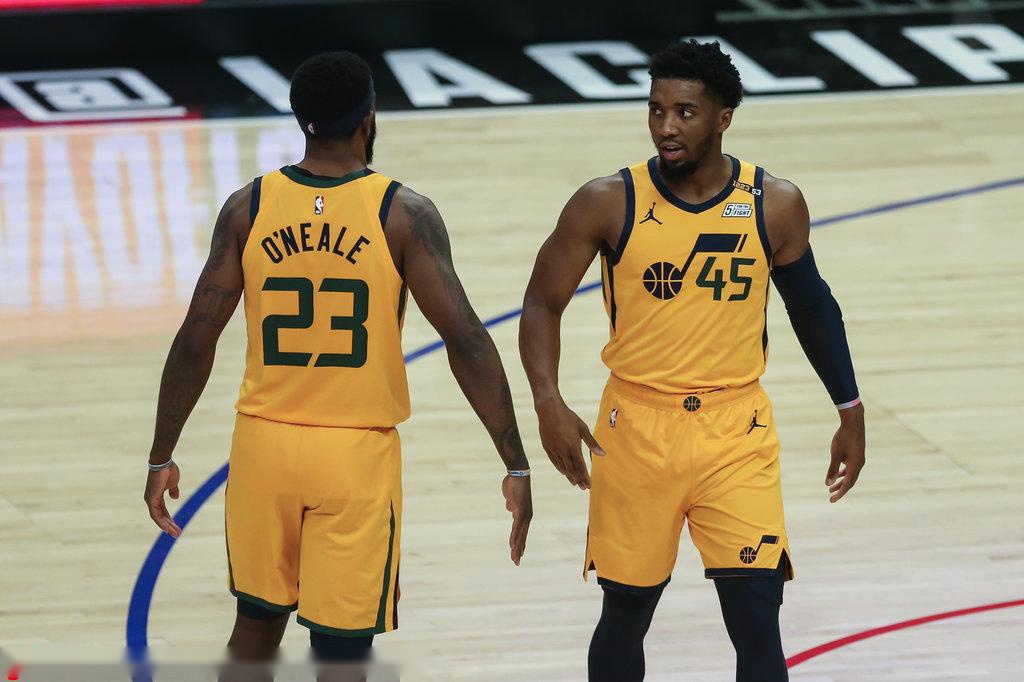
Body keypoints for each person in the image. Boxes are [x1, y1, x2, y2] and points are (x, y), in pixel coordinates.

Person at [142, 51, 532, 668]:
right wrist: (515, 462)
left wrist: (161, 455)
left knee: (253, 634)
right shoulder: (403, 213)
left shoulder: (249, 206)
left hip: (264, 449)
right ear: (368, 118)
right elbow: (466, 341)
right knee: (341, 655)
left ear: (300, 118)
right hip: (354, 456)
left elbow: (196, 337)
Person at [519, 39, 865, 682]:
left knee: (757, 614)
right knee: (626, 610)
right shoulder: (608, 199)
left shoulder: (773, 202)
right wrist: (548, 401)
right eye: (656, 110)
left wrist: (850, 407)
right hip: (635, 429)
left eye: (685, 112)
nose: (666, 127)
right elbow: (542, 302)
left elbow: (813, 307)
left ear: (723, 118)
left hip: (736, 430)